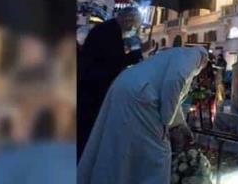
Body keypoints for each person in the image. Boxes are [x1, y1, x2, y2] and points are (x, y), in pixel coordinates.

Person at [78, 47, 208, 184]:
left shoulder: (174, 54)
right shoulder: (196, 55)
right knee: (159, 153)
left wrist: (181, 125)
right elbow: (175, 80)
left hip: (127, 87)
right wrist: (167, 123)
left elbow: (173, 98)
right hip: (139, 96)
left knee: (121, 146)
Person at [77, 6, 153, 159]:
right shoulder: (110, 33)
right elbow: (115, 63)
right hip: (93, 90)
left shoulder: (109, 29)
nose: (133, 29)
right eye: (134, 26)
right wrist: (140, 51)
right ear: (128, 20)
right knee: (85, 132)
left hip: (91, 86)